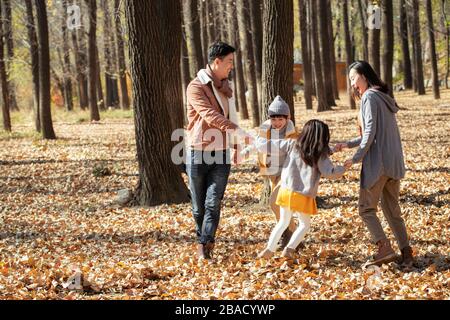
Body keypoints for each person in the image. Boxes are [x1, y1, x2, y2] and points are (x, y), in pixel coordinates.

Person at [334, 60, 414, 267]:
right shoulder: (383, 97)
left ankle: (384, 248)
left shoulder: (369, 97)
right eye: (350, 80)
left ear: (365, 75)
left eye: (354, 78)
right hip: (393, 163)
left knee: (366, 209)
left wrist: (356, 157)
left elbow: (369, 132)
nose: (352, 84)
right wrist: (348, 144)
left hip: (378, 164)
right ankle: (406, 253)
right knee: (392, 211)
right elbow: (372, 132)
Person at [185, 41, 251, 259]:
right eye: (229, 62)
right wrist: (238, 131)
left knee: (213, 203)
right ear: (217, 62)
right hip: (198, 152)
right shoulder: (196, 87)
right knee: (198, 207)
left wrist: (236, 145)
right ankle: (202, 239)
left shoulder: (226, 88)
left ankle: (205, 245)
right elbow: (209, 116)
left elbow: (231, 115)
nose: (232, 66)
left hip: (221, 154)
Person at [256, 119, 349, 259]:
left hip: (286, 190)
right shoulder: (320, 154)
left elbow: (271, 146)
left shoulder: (293, 144)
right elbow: (330, 172)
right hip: (302, 195)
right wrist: (344, 168)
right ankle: (289, 250)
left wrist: (257, 141)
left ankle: (268, 250)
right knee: (305, 225)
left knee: (283, 222)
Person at [255, 96, 299, 248]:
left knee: (275, 202)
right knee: (280, 207)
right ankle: (292, 235)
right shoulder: (265, 130)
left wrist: (271, 146)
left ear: (288, 118)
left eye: (281, 119)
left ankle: (288, 234)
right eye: (274, 120)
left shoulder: (292, 133)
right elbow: (258, 145)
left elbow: (291, 149)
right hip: (272, 172)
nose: (277, 123)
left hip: (287, 172)